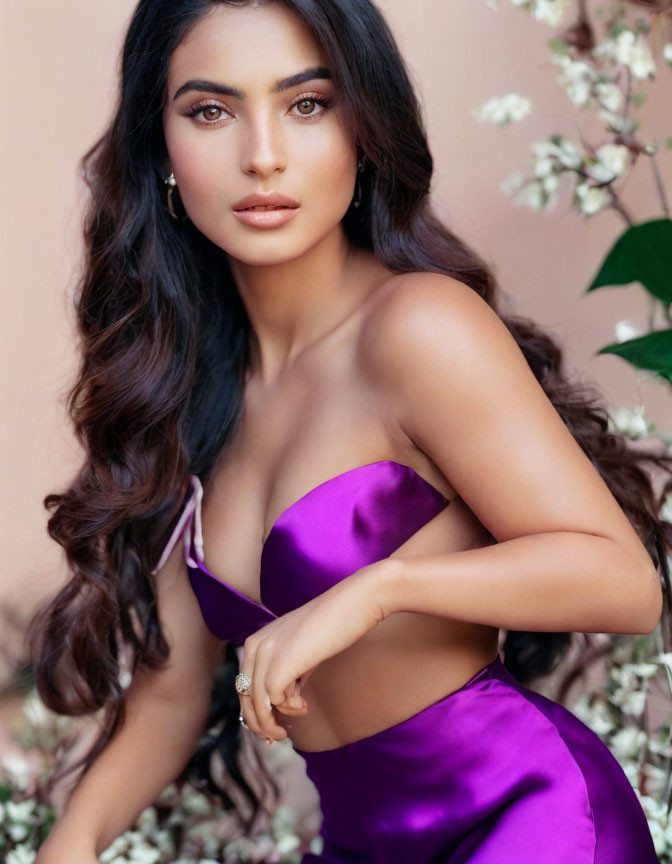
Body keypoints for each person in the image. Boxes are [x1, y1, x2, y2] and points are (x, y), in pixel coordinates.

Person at [30, 0, 671, 861]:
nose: (263, 156)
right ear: (162, 151)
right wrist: (65, 844)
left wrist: (377, 589)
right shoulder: (191, 395)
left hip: (525, 820)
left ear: (364, 130)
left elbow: (625, 582)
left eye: (308, 104)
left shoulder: (416, 329)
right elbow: (171, 696)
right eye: (211, 111)